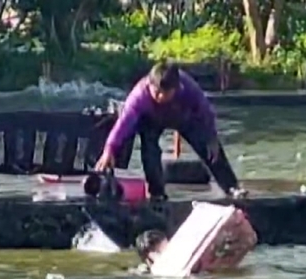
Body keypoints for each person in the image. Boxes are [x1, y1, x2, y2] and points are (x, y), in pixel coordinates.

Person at [95, 61, 246, 201]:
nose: (161, 96)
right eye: (157, 92)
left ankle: (231, 187)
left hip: (183, 116)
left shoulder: (188, 88)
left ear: (176, 88)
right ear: (150, 85)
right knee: (150, 151)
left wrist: (212, 136)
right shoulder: (139, 97)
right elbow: (123, 124)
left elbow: (205, 111)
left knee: (210, 148)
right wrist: (109, 149)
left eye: (166, 93)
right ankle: (157, 193)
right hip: (151, 119)